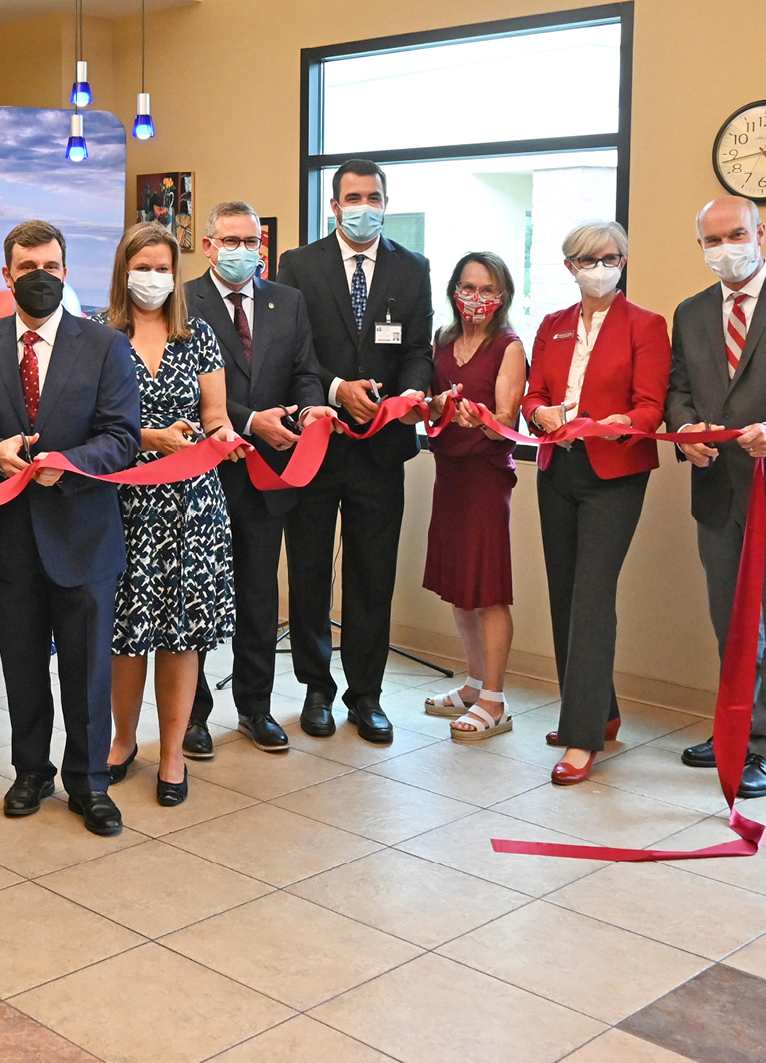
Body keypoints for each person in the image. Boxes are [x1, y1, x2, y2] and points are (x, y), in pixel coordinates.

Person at [0, 220, 139, 837]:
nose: (39, 277)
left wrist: (64, 466)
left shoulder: (105, 346)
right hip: (10, 536)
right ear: (6, 274)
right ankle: (30, 770)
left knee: (88, 668)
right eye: (26, 266)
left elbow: (122, 440)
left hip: (84, 534)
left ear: (66, 272)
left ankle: (89, 782)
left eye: (51, 266)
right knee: (20, 663)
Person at [667, 197, 766, 799]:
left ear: (760, 232)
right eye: (712, 239)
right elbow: (677, 390)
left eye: (735, 234)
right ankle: (735, 724)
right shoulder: (690, 313)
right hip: (716, 490)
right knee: (732, 624)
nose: (725, 248)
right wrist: (685, 432)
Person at [276, 159, 433, 745]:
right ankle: (316, 687)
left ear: (386, 202)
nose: (364, 206)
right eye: (353, 197)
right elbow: (293, 352)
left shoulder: (411, 267)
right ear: (334, 205)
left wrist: (402, 394)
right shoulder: (298, 265)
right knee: (311, 570)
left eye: (374, 196)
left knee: (373, 575)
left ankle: (366, 694)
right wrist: (339, 390)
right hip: (317, 442)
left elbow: (417, 349)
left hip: (380, 450)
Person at [95, 222, 238, 806]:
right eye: (142, 266)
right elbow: (90, 428)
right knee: (126, 636)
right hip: (122, 504)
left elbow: (215, 416)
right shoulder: (98, 336)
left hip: (191, 508)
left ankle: (174, 752)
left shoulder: (199, 333)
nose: (152, 277)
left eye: (162, 267)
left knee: (181, 637)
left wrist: (228, 438)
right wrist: (152, 438)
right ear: (122, 270)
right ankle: (122, 742)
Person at [185, 201, 334, 754]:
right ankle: (193, 715)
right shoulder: (184, 303)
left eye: (251, 241)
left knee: (257, 595)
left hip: (269, 476)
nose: (242, 250)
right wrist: (249, 421)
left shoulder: (287, 301)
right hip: (203, 474)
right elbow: (190, 389)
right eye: (231, 240)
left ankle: (255, 708)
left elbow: (305, 372)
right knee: (198, 597)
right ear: (207, 246)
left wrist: (313, 408)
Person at [523, 222, 669, 784]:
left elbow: (651, 407)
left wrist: (617, 424)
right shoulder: (554, 326)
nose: (600, 267)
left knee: (592, 595)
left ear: (624, 262)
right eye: (588, 259)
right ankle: (597, 711)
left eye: (611, 258)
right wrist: (542, 414)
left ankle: (582, 737)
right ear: (569, 267)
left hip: (615, 471)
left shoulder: (646, 326)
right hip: (559, 467)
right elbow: (535, 393)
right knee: (565, 591)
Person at [420, 252, 527, 742]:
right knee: (460, 588)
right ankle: (472, 683)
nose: (475, 298)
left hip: (485, 477)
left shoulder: (509, 346)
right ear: (453, 289)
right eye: (467, 287)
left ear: (502, 295)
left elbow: (507, 418)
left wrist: (479, 415)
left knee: (487, 589)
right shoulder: (442, 341)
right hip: (449, 473)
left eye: (486, 289)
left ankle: (495, 700)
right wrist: (437, 405)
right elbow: (423, 402)